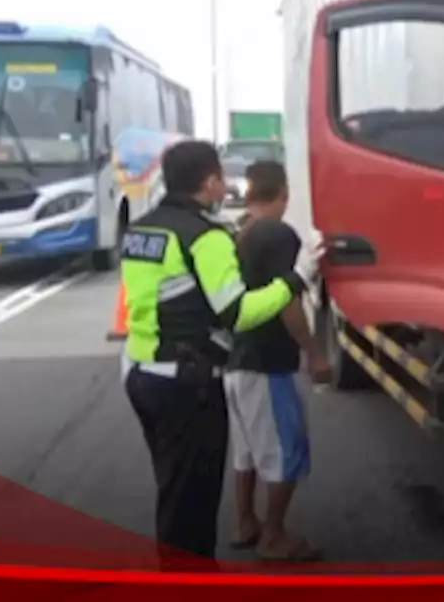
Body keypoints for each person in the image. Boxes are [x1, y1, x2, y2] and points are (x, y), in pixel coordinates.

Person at [119, 139, 325, 569]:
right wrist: (297, 279)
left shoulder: (143, 229)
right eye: (220, 179)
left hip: (140, 373)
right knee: (193, 495)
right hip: (186, 382)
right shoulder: (204, 235)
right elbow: (239, 313)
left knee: (173, 486)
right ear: (210, 182)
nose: (224, 187)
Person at [223, 160, 331, 561]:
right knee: (285, 450)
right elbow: (286, 299)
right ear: (284, 193)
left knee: (248, 451)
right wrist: (315, 351)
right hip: (266, 363)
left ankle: (244, 522)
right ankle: (273, 537)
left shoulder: (241, 230)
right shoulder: (277, 233)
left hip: (236, 360)